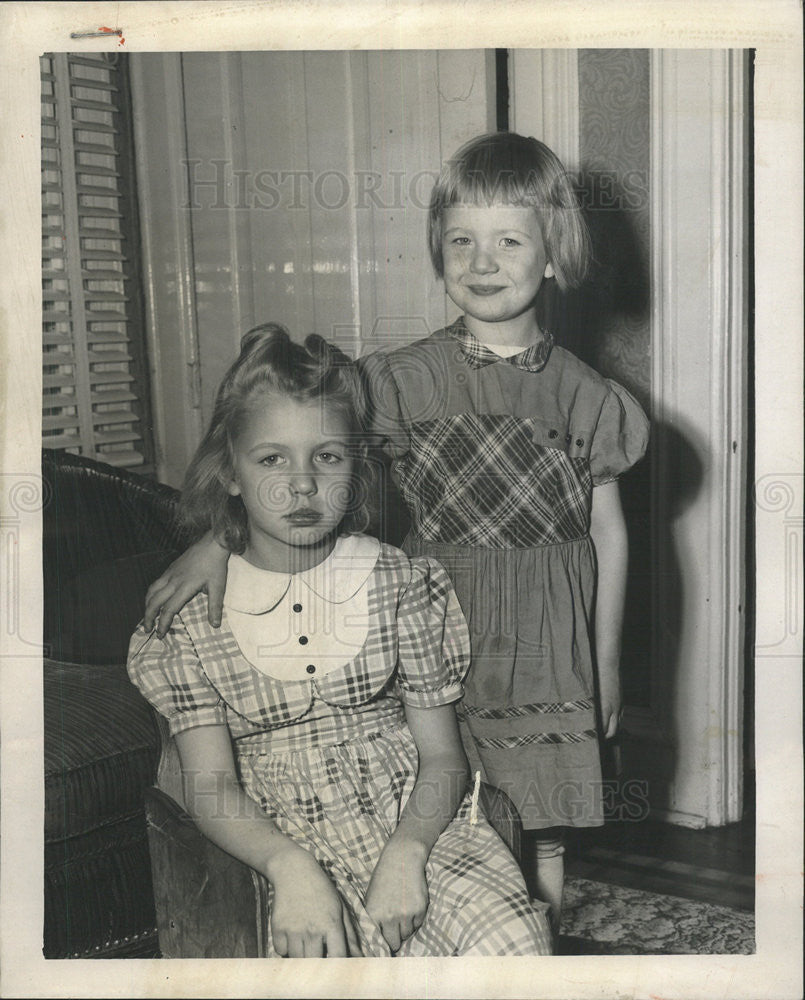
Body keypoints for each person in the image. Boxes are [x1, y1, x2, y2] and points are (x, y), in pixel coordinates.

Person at [144, 132, 650, 933]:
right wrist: (219, 537)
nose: (481, 261)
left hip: (549, 645)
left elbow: (607, 535)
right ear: (438, 254)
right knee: (443, 806)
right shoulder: (396, 381)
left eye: (509, 240)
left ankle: (529, 954)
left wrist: (607, 660)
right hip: (430, 625)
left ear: (553, 256)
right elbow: (296, 453)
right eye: (460, 241)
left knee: (543, 829)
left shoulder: (593, 399)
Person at [129, 324, 552, 958]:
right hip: (272, 839)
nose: (301, 484)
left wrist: (408, 853)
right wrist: (290, 868)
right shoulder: (194, 620)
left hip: (415, 820)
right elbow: (210, 786)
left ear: (354, 468)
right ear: (232, 475)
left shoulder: (399, 582)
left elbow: (442, 759)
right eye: (271, 458)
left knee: (513, 945)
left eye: (327, 457)